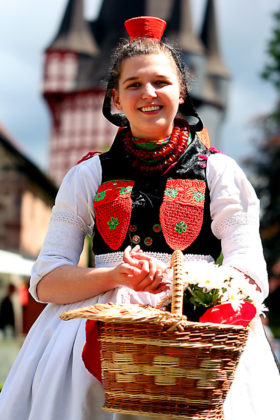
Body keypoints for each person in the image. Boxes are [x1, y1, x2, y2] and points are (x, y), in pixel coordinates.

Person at [0, 16, 279, 420]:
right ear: (116, 99)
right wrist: (115, 278)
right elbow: (45, 280)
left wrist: (177, 284)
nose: (149, 93)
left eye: (161, 82)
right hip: (94, 339)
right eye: (134, 84)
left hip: (200, 334)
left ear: (181, 92)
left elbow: (250, 273)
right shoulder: (88, 174)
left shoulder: (219, 172)